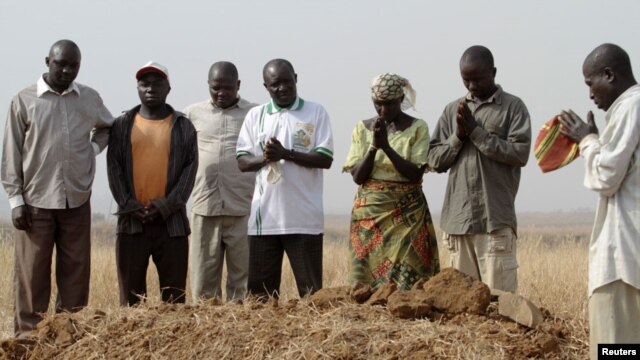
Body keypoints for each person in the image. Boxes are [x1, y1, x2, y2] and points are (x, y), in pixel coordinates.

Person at [1, 39, 113, 337]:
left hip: (76, 199)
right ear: (47, 61)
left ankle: (69, 337)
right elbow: (11, 152)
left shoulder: (88, 98)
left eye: (73, 65)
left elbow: (107, 126)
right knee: (31, 275)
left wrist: (92, 148)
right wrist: (15, 201)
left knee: (75, 274)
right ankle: (28, 339)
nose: (66, 70)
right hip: (35, 202)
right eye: (60, 64)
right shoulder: (24, 100)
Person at [558, 43, 640, 360]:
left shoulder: (631, 106)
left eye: (591, 84)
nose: (591, 95)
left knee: (615, 350)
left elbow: (606, 176)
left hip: (622, 259)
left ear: (609, 74)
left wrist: (587, 141)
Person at [427, 45, 531, 293]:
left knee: (501, 306)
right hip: (457, 223)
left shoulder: (513, 108)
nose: (471, 86)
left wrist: (476, 132)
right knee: (461, 308)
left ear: (493, 72)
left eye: (477, 79)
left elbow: (520, 153)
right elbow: (433, 160)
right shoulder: (452, 110)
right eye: (466, 80)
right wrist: (458, 137)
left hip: (494, 222)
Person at [236, 58, 334, 299]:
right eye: (275, 84)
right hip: (264, 222)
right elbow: (242, 161)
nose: (282, 88)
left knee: (312, 296)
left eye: (287, 82)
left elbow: (325, 158)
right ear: (266, 87)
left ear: (296, 79)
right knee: (261, 298)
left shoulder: (315, 112)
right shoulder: (256, 116)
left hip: (304, 220)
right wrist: (266, 158)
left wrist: (286, 154)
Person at [107, 61, 197, 306]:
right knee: (131, 302)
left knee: (174, 299)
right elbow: (114, 169)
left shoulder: (183, 126)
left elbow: (189, 173)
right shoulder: (122, 125)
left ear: (169, 88)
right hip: (131, 224)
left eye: (157, 84)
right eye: (144, 84)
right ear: (137, 87)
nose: (150, 89)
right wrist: (129, 205)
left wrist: (165, 206)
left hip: (172, 225)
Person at [342, 73, 440, 290]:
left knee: (408, 277)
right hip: (369, 213)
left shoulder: (417, 127)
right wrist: (374, 146)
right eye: (378, 104)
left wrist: (387, 147)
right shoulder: (362, 128)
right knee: (365, 281)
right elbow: (358, 176)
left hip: (408, 213)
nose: (383, 111)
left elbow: (415, 173)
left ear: (400, 100)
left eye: (389, 104)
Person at [184, 61, 257, 302]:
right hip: (205, 207)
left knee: (243, 285)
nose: (221, 93)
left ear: (238, 85)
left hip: (243, 208)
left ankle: (241, 334)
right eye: (215, 88)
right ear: (208, 85)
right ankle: (206, 334)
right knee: (203, 287)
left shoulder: (255, 114)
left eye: (227, 88)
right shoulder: (192, 114)